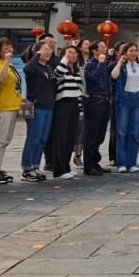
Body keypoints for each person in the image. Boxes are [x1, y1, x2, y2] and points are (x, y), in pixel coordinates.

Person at [110, 43, 139, 173]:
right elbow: (113, 76)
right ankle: (121, 163)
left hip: (137, 100)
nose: (134, 53)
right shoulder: (122, 66)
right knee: (122, 132)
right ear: (125, 52)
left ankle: (132, 162)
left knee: (134, 133)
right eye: (131, 51)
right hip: (123, 100)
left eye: (135, 50)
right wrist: (120, 62)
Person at [0, 38, 20, 185]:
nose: (9, 49)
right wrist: (6, 62)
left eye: (10, 46)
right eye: (6, 47)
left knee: (5, 140)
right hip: (3, 107)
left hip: (12, 106)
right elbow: (0, 78)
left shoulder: (10, 64)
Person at [22, 41, 56, 181]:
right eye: (45, 49)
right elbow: (27, 70)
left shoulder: (49, 68)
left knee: (42, 139)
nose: (48, 52)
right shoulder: (32, 67)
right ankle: (27, 168)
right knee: (33, 138)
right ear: (37, 51)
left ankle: (35, 165)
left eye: (49, 49)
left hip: (48, 106)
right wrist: (36, 56)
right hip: (33, 106)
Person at [51, 44, 84, 179]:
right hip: (63, 104)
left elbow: (79, 91)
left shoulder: (76, 71)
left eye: (75, 53)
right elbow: (56, 75)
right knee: (61, 137)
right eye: (69, 52)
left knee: (70, 137)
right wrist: (64, 59)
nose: (73, 55)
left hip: (74, 105)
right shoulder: (60, 68)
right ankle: (58, 170)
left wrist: (80, 110)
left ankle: (66, 167)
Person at [82, 41, 112, 175]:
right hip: (94, 101)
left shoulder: (105, 63)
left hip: (105, 101)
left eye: (105, 47)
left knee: (100, 135)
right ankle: (88, 166)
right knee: (91, 134)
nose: (105, 49)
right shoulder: (90, 64)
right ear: (94, 50)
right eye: (102, 47)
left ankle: (95, 162)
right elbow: (92, 78)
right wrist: (100, 63)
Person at [73, 38, 92, 167]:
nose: (88, 46)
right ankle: (77, 154)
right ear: (79, 47)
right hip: (79, 97)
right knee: (79, 127)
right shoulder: (76, 62)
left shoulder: (93, 61)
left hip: (92, 97)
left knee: (88, 127)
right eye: (86, 44)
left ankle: (86, 154)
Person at [107, 41, 126, 166]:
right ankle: (113, 155)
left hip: (129, 99)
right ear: (117, 51)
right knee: (115, 128)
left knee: (126, 129)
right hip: (116, 98)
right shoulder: (112, 64)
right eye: (123, 49)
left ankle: (124, 154)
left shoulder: (132, 65)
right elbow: (112, 77)